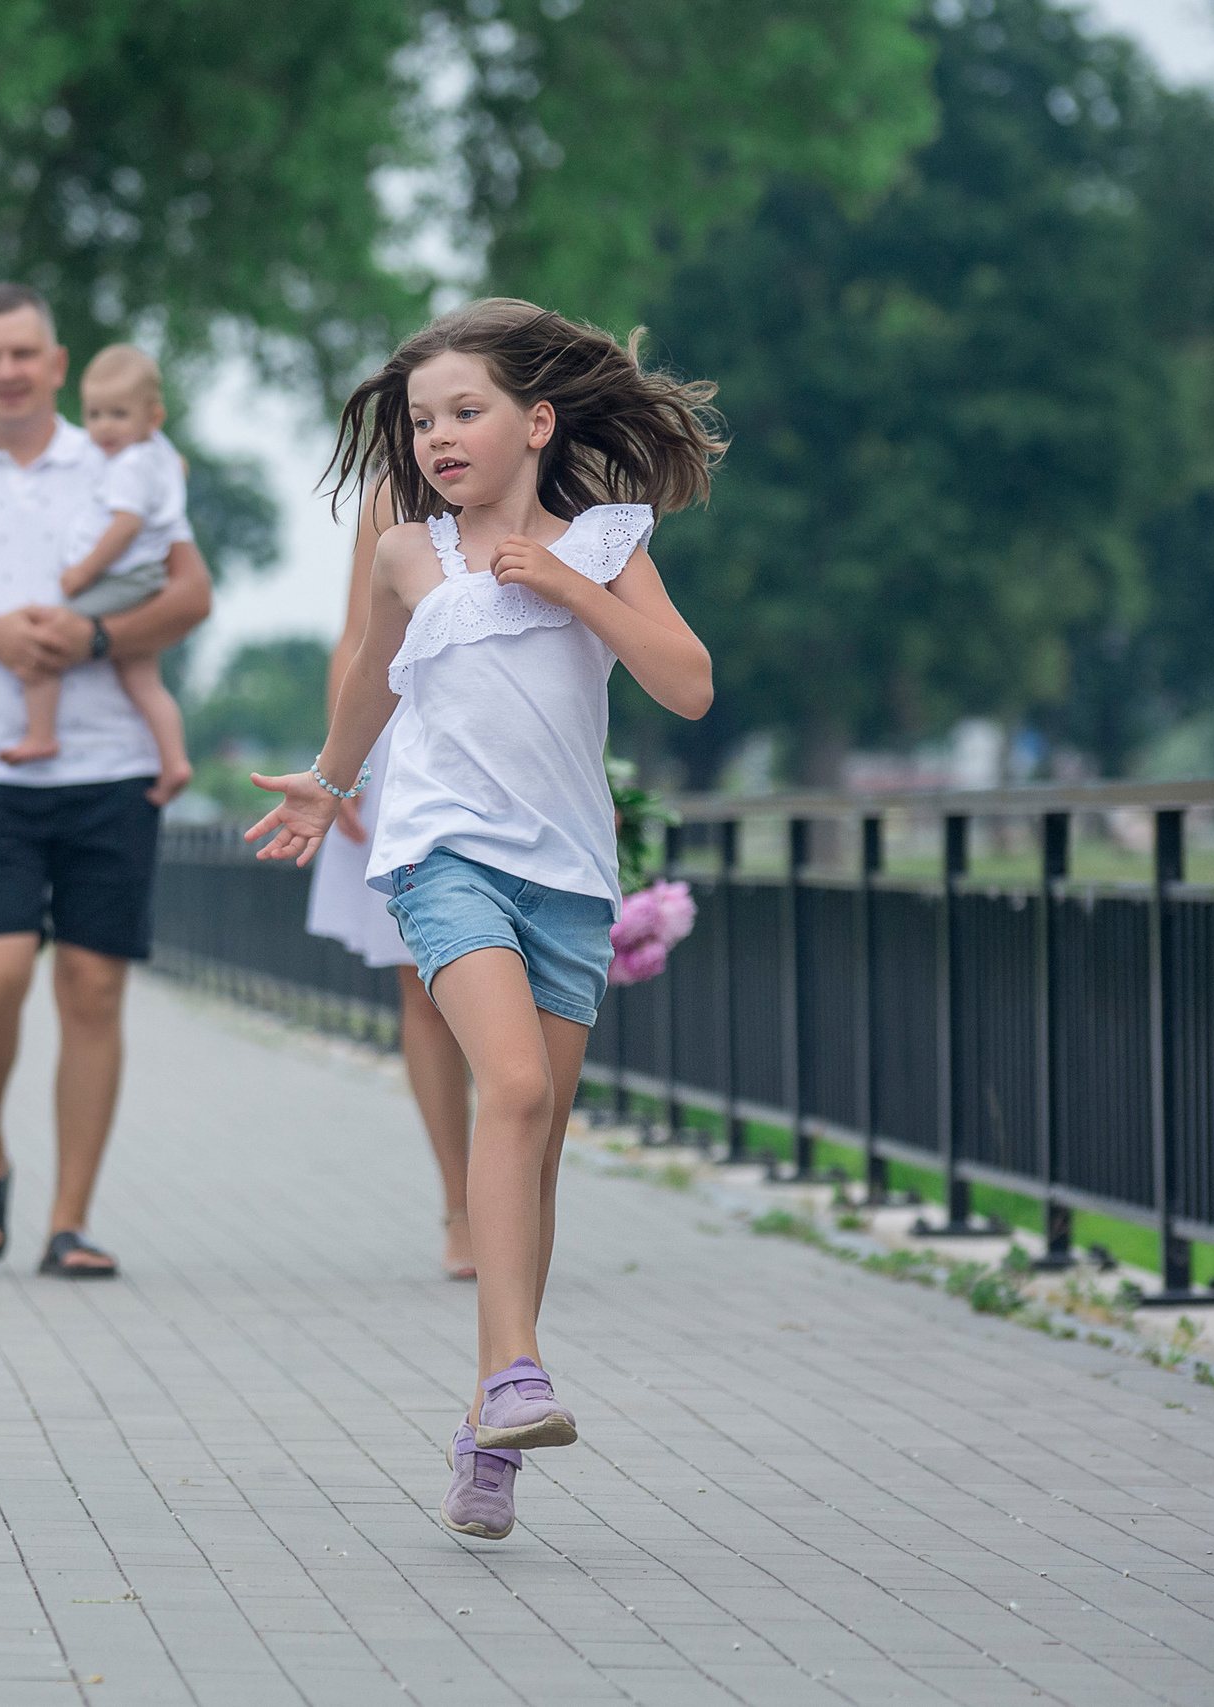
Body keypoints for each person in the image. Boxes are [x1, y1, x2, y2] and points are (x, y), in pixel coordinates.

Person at [247, 300, 720, 1540]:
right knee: (510, 1091)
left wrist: (568, 585)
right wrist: (330, 777)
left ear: (537, 421)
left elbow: (687, 683)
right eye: (420, 421)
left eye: (465, 413)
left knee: (540, 1134)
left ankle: (486, 1425)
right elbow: (369, 671)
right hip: (441, 857)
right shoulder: (413, 552)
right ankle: (517, 1371)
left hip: (567, 879)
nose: (438, 438)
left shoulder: (608, 544)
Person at [0, 281, 214, 1278]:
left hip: (114, 764)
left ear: (57, 364)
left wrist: (96, 635)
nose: (9, 370)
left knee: (93, 985)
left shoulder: (130, 462)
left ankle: (69, 1220)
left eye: (25, 352)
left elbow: (190, 595)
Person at [304, 474, 477, 1282]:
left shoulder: (558, 479)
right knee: (423, 981)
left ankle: (518, 1192)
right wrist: (343, 768)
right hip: (402, 746)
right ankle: (461, 1207)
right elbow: (355, 636)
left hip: (505, 744)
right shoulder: (388, 497)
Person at [0, 344, 195, 805]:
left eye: (118, 414)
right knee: (141, 676)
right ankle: (175, 759)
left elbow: (123, 527)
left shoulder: (127, 466)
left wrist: (83, 572)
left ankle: (40, 733)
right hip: (143, 579)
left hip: (123, 580)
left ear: (152, 417)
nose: (104, 426)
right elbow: (176, 465)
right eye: (95, 414)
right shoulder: (153, 453)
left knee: (44, 638)